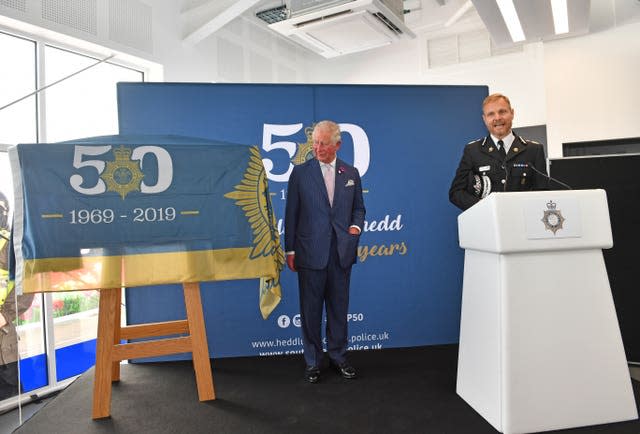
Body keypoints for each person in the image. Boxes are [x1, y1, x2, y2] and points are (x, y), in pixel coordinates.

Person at [285, 120, 366, 383]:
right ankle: (312, 361)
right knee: (310, 310)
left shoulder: (351, 173)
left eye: (324, 143)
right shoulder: (300, 173)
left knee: (339, 308)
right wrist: (290, 250)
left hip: (341, 252)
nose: (318, 148)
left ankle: (339, 356)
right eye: (315, 142)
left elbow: (359, 209)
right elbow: (292, 213)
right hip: (309, 252)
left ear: (337, 144)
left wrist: (354, 228)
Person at [449, 93, 549, 211]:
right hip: (488, 222)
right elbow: (456, 192)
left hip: (522, 222)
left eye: (502, 112)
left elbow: (543, 193)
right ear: (484, 119)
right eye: (491, 114)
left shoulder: (533, 150)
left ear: (512, 113)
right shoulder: (473, 151)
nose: (497, 118)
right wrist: (484, 207)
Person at [0, 190, 34, 400]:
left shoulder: (11, 246)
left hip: (3, 346)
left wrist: (5, 316)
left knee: (11, 406)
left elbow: (26, 284)